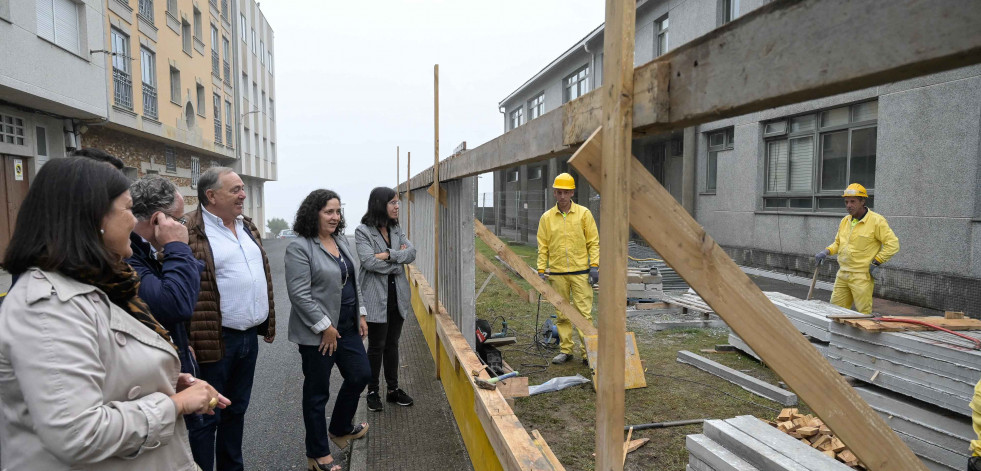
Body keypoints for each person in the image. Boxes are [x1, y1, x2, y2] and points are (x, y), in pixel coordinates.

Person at [0, 157, 227, 470]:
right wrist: (173, 404)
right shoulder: (49, 306)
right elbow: (79, 433)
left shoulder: (95, 282)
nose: (134, 222)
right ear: (94, 218)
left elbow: (103, 365)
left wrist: (159, 380)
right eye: (127, 209)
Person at [185, 167, 276, 471]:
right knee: (207, 415)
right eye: (235, 189)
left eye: (242, 189)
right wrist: (186, 340)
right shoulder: (190, 231)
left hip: (247, 338)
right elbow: (183, 290)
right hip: (214, 340)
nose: (243, 194)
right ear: (211, 196)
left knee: (236, 411)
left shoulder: (246, 226)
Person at [285, 189, 370, 471]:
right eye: (328, 212)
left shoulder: (339, 241)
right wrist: (325, 327)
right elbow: (299, 295)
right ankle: (318, 454)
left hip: (347, 326)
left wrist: (360, 313)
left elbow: (352, 280)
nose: (335, 217)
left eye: (337, 211)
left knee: (361, 374)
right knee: (317, 393)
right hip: (318, 334)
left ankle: (340, 428)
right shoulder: (300, 247)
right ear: (314, 213)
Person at [127, 175, 204, 376]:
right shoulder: (128, 256)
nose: (182, 226)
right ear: (157, 219)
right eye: (179, 220)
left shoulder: (146, 252)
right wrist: (177, 246)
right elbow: (174, 305)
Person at [355, 187, 416, 412]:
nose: (397, 206)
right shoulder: (363, 231)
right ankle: (372, 391)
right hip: (375, 298)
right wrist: (397, 265)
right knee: (377, 346)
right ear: (380, 204)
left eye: (397, 202)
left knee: (393, 344)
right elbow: (368, 262)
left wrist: (390, 255)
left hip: (397, 297)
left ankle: (393, 390)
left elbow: (412, 253)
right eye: (392, 202)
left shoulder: (396, 228)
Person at [536, 172, 600, 365]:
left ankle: (587, 352)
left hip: (581, 273)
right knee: (562, 314)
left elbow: (593, 243)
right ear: (554, 193)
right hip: (557, 273)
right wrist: (540, 270)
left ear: (572, 192)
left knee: (584, 315)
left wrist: (594, 266)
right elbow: (543, 246)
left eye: (566, 192)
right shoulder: (547, 218)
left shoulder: (584, 214)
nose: (562, 196)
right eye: (559, 192)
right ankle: (566, 350)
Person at [815, 183, 900, 315]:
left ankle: (864, 335)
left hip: (862, 276)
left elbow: (893, 244)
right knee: (835, 312)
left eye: (853, 201)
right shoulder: (845, 221)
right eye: (846, 202)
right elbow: (838, 243)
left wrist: (877, 261)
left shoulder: (876, 221)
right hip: (843, 274)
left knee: (863, 314)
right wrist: (826, 252)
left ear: (862, 201)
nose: (849, 205)